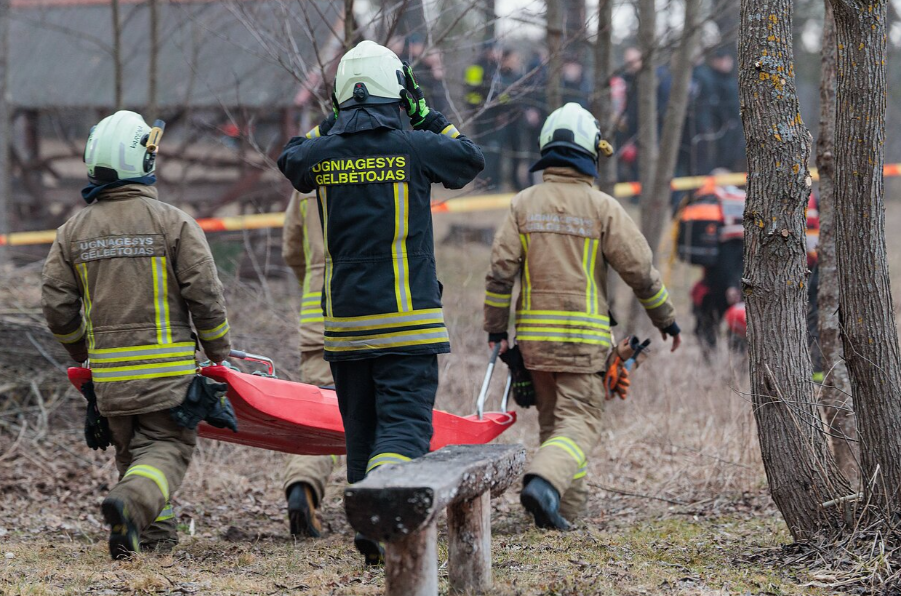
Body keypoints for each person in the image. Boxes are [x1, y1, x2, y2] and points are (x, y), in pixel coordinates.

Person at [277, 40, 484, 562]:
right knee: (404, 428)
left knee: (362, 433)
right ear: (399, 92)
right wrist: (427, 113)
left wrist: (337, 120)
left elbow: (291, 157)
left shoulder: (321, 153)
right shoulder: (414, 144)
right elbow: (469, 159)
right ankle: (376, 508)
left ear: (342, 96)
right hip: (407, 325)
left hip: (346, 327)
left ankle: (370, 538)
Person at [41, 110, 232, 559]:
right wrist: (219, 350)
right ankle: (130, 507)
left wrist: (83, 352)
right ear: (142, 162)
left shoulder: (72, 232)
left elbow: (57, 306)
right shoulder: (174, 223)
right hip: (168, 378)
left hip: (111, 380)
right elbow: (205, 294)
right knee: (167, 449)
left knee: (133, 455)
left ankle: (149, 538)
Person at [483, 103, 681, 529]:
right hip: (583, 344)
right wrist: (665, 318)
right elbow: (640, 271)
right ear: (591, 154)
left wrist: (496, 331)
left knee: (556, 424)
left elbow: (499, 274)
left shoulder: (522, 204)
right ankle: (542, 484)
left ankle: (561, 514)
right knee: (582, 423)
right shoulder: (602, 208)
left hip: (535, 346)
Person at [280, 191, 338, 539]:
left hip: (319, 319)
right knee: (380, 416)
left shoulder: (306, 178)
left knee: (322, 419)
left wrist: (313, 283)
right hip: (375, 317)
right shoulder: (383, 158)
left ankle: (303, 485)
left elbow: (290, 248)